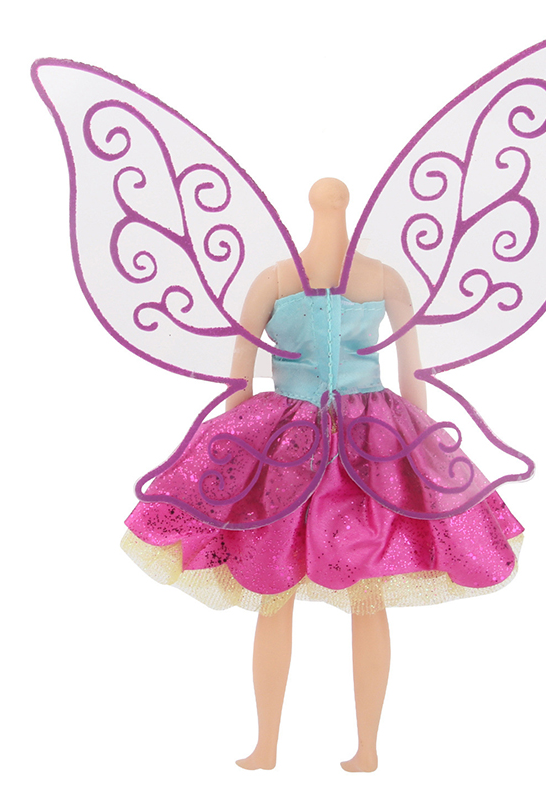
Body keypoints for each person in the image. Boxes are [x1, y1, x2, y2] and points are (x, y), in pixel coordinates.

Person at [122, 178, 523, 772]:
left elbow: (243, 384)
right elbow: (405, 378)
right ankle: (297, 746)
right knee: (304, 586)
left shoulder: (288, 279)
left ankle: (333, 747)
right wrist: (235, 458)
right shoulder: (349, 279)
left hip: (334, 443)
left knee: (335, 587)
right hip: (334, 440)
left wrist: (425, 451)